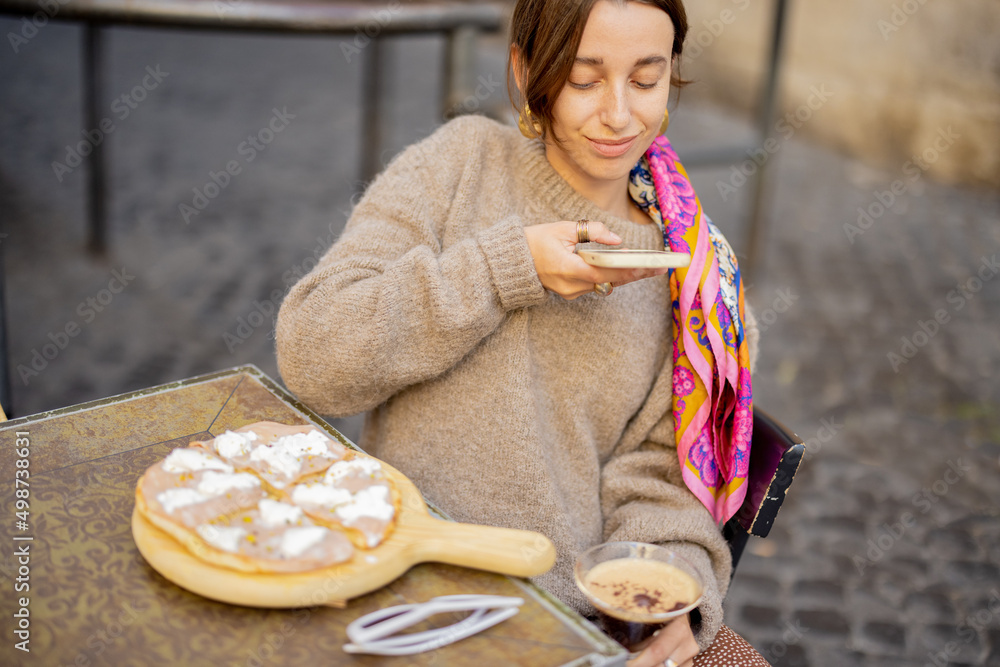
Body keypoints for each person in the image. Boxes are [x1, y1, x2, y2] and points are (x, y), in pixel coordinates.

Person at [277, 0, 766, 664]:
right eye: (585, 78)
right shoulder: (459, 166)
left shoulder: (700, 282)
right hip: (396, 581)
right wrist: (505, 267)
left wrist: (671, 586)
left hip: (566, 616)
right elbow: (313, 354)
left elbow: (662, 479)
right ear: (526, 70)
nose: (619, 114)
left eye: (646, 79)